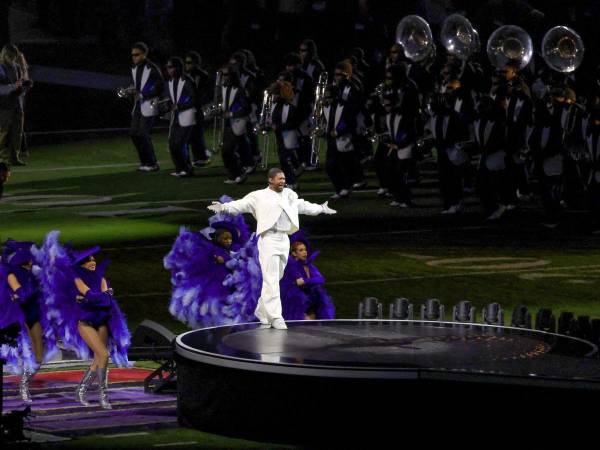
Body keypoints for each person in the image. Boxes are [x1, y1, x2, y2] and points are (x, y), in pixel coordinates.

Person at [207, 168, 337, 329]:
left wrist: (321, 208)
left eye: (284, 179)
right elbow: (241, 204)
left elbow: (302, 206)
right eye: (279, 179)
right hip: (268, 239)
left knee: (275, 277)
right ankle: (275, 317)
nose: (283, 181)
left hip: (284, 239)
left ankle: (262, 310)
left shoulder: (289, 194)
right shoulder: (258, 196)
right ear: (270, 180)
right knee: (271, 278)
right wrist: (224, 207)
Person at [36, 232, 131, 409]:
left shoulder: (101, 278)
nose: (93, 262)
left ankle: (82, 389)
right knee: (104, 355)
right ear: (82, 264)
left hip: (102, 320)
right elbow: (98, 297)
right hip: (85, 322)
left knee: (99, 358)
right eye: (89, 260)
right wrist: (99, 296)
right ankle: (103, 396)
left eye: (94, 259)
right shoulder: (77, 279)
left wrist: (93, 297)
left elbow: (104, 300)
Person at [164, 197, 253, 328]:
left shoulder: (236, 249)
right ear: (218, 238)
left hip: (233, 291)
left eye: (230, 238)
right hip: (219, 292)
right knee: (220, 323)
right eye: (225, 238)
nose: (228, 241)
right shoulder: (211, 251)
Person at [0, 240, 56, 403]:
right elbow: (18, 291)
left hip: (32, 314)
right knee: (17, 350)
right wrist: (18, 295)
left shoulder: (33, 272)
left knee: (39, 356)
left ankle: (24, 384)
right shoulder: (10, 271)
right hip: (16, 314)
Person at [280, 231, 335, 321]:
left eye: (305, 250)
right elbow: (294, 284)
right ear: (294, 253)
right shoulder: (291, 266)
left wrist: (305, 281)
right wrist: (302, 282)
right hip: (296, 301)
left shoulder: (309, 266)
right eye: (301, 250)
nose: (304, 252)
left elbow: (321, 279)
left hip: (311, 300)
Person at [128, 42, 163, 172]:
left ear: (144, 54)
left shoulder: (152, 68)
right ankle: (145, 162)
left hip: (149, 104)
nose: (134, 57)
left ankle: (152, 163)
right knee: (134, 133)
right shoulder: (135, 68)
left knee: (143, 133)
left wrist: (142, 94)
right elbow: (138, 85)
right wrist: (131, 91)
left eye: (136, 55)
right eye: (132, 55)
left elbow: (159, 87)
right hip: (138, 105)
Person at [0, 44, 32, 167]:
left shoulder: (17, 67)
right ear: (4, 55)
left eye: (14, 56)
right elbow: (2, 89)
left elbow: (20, 86)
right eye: (10, 56)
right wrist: (15, 87)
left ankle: (14, 157)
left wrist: (25, 87)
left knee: (17, 133)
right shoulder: (0, 68)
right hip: (4, 105)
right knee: (3, 132)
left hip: (17, 104)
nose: (12, 59)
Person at [164, 57, 196, 177]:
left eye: (172, 67)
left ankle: (186, 169)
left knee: (179, 143)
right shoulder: (171, 81)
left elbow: (193, 99)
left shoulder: (187, 81)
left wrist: (179, 106)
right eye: (168, 67)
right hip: (177, 115)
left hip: (187, 115)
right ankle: (180, 168)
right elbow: (173, 99)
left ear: (179, 68)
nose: (169, 70)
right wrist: (167, 104)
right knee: (172, 143)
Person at [184, 51, 212, 167]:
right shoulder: (186, 75)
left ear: (196, 63)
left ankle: (202, 156)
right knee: (192, 133)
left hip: (199, 107)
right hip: (191, 107)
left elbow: (206, 93)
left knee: (196, 132)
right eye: (186, 63)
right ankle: (200, 155)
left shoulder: (202, 76)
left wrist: (200, 104)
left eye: (189, 63)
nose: (187, 65)